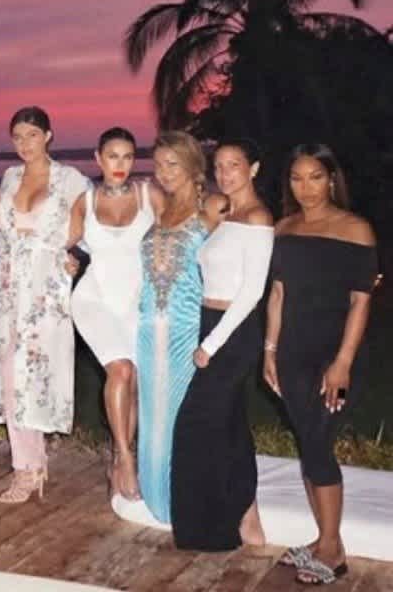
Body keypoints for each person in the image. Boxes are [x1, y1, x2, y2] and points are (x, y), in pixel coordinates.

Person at [265, 144, 378, 585]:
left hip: (334, 355)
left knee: (316, 443)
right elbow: (277, 296)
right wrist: (269, 352)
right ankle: (322, 539)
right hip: (291, 352)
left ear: (331, 179)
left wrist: (343, 362)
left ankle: (333, 550)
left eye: (314, 177)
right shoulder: (284, 228)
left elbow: (360, 302)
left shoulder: (355, 230)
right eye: (296, 178)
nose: (305, 187)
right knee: (309, 443)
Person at [0, 107, 90, 503]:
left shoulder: (70, 179)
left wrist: (73, 256)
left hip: (45, 291)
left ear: (48, 135)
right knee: (9, 375)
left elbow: (86, 227)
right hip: (8, 288)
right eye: (17, 137)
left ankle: (32, 465)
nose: (24, 144)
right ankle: (26, 467)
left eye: (31, 135)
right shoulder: (10, 177)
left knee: (36, 375)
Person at [170, 139, 272, 550]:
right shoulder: (228, 215)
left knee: (196, 423)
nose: (226, 173)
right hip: (211, 323)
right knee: (228, 426)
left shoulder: (259, 218)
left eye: (235, 164)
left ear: (254, 168)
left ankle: (209, 529)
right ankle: (245, 513)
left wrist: (211, 344)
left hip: (234, 330)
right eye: (220, 166)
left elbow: (251, 292)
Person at [135, 131, 224, 523]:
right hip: (146, 327)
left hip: (185, 329)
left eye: (172, 164)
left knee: (181, 415)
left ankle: (185, 498)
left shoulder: (213, 207)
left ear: (192, 165)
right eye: (158, 164)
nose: (164, 172)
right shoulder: (160, 208)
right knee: (152, 414)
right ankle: (156, 495)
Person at [70, 127, 160, 501]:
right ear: (98, 158)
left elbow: (177, 232)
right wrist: (68, 258)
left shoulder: (149, 194)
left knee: (134, 380)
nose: (119, 165)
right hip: (94, 298)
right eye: (112, 156)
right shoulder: (84, 202)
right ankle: (124, 459)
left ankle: (120, 454)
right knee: (119, 369)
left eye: (126, 156)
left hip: (138, 300)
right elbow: (65, 242)